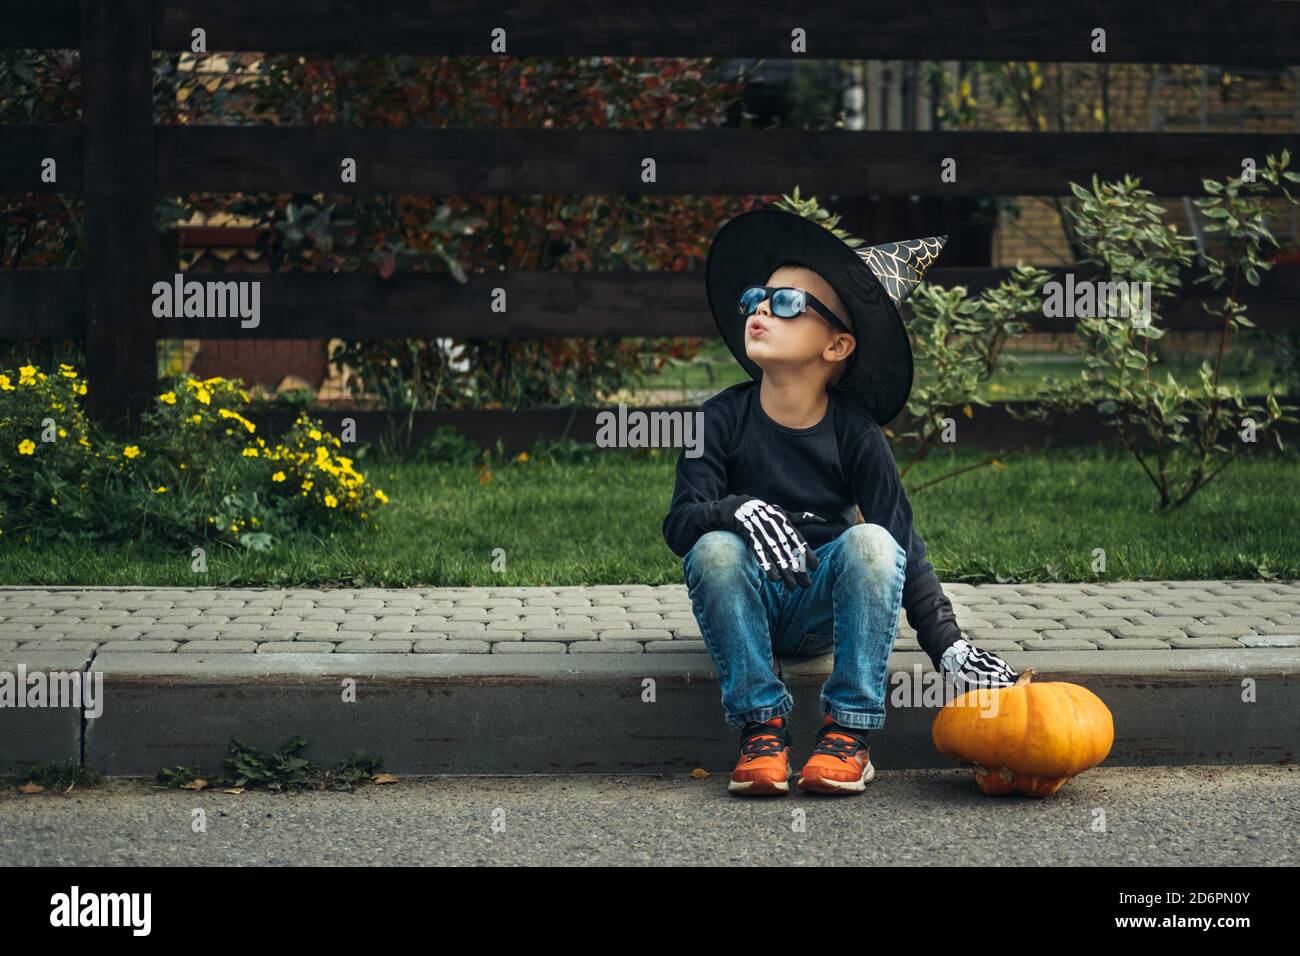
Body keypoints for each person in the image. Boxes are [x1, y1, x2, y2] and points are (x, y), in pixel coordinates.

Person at [663, 207, 1017, 797]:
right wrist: (734, 510)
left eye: (785, 303)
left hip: (822, 602)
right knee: (716, 548)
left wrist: (947, 645)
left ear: (836, 345)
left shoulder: (854, 433)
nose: (759, 309)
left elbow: (900, 541)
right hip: (746, 597)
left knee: (871, 541)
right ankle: (761, 728)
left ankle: (848, 733)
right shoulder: (718, 419)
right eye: (757, 296)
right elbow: (679, 523)